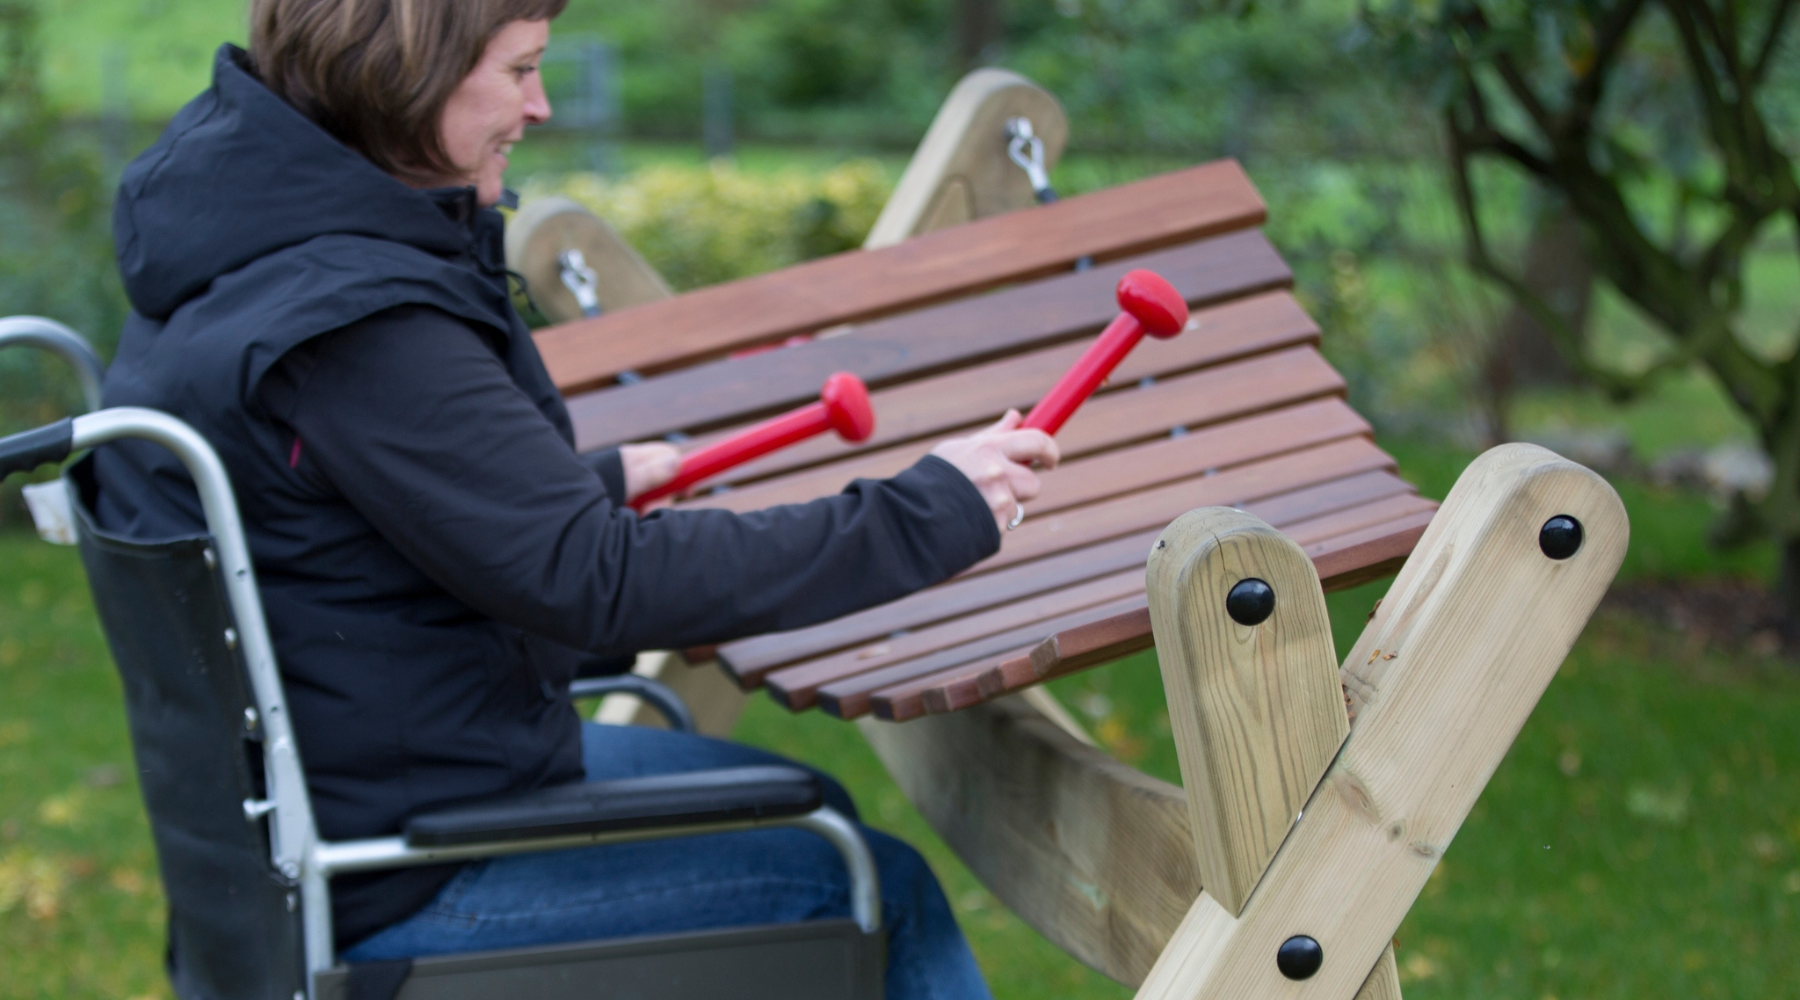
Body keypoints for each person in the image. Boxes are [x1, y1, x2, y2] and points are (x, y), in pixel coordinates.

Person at [93, 1, 1057, 997]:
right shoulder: (353, 322)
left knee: (810, 804)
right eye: (519, 71)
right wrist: (933, 510)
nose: (541, 105)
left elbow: (336, 514)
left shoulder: (246, 245)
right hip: (406, 868)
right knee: (867, 886)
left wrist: (571, 488)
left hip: (352, 816)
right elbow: (599, 581)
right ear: (408, 74)